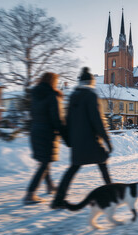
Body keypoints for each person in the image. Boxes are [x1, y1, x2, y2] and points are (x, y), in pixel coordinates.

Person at [51, 67, 113, 209]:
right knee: (103, 166)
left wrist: (69, 141)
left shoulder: (73, 96)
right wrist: (107, 141)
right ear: (91, 82)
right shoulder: (91, 96)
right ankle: (111, 195)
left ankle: (58, 200)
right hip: (92, 142)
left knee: (72, 169)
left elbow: (66, 120)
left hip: (78, 143)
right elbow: (97, 121)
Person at [23, 72, 67, 205]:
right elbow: (57, 119)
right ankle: (30, 193)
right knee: (44, 162)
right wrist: (65, 136)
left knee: (44, 161)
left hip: (35, 131)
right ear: (53, 82)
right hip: (47, 133)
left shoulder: (35, 95)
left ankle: (50, 186)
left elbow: (32, 114)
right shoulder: (52, 96)